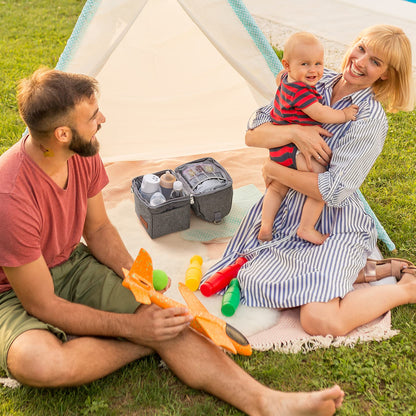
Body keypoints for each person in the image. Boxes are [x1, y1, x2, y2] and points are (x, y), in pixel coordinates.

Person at [0, 67, 345, 415]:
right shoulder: (10, 198)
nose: (102, 119)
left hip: (69, 262)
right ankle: (146, 342)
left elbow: (100, 230)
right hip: (11, 292)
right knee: (37, 362)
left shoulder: (82, 154)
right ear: (62, 134)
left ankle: (266, 402)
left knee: (161, 315)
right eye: (92, 116)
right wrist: (134, 328)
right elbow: (41, 303)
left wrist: (137, 281)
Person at [202, 25, 416, 337]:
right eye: (362, 49)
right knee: (249, 277)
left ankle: (407, 289)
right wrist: (293, 132)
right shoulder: (316, 78)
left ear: (385, 74)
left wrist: (275, 171)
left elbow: (334, 190)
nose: (360, 62)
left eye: (375, 62)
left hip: (330, 219)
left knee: (319, 320)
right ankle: (366, 271)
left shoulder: (368, 120)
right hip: (288, 206)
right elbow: (254, 132)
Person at [259, 32, 359, 244]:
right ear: (287, 65)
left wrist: (295, 70)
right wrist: (344, 115)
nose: (313, 70)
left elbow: (279, 77)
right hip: (293, 149)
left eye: (318, 63)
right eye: (305, 64)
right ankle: (306, 227)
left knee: (277, 188)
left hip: (278, 149)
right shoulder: (302, 91)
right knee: (321, 182)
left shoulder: (285, 80)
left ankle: (265, 226)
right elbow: (320, 113)